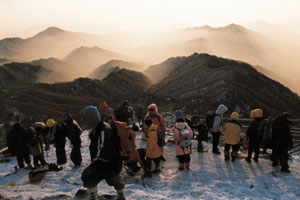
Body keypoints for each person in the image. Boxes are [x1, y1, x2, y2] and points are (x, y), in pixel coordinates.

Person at [80, 106, 125, 200]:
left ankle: (93, 197)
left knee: (88, 176)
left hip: (108, 164)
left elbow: (104, 153)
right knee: (115, 179)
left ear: (90, 119)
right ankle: (121, 195)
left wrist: (93, 166)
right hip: (112, 163)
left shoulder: (103, 131)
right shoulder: (98, 129)